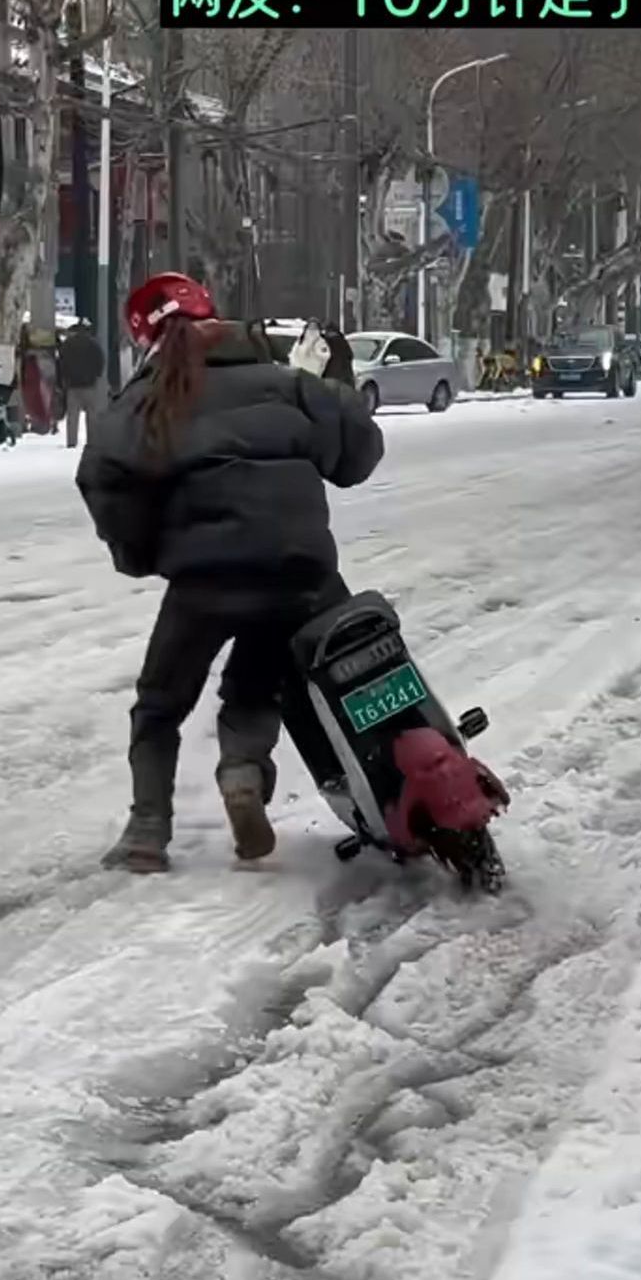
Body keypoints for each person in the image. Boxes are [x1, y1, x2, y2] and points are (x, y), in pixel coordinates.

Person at [75, 272, 384, 874]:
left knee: (160, 705)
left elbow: (103, 476)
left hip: (205, 581)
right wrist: (336, 386)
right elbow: (357, 453)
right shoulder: (288, 382)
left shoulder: (142, 402)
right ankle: (242, 774)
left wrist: (139, 552)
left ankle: (146, 832)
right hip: (299, 572)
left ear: (144, 336)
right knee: (257, 682)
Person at [59, 319, 108, 447]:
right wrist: (96, 375)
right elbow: (100, 361)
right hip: (90, 385)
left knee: (72, 416)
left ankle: (71, 441)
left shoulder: (68, 344)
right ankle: (92, 442)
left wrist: (65, 378)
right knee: (92, 416)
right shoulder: (93, 344)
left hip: (73, 386)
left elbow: (61, 363)